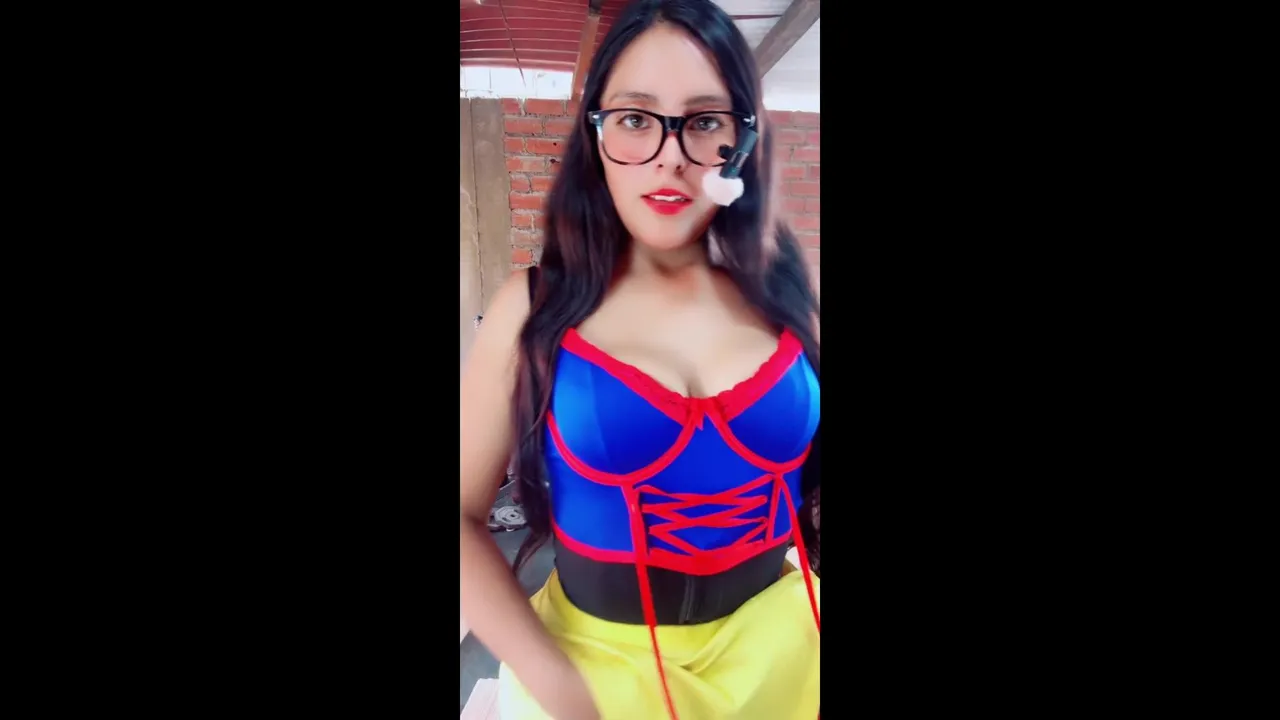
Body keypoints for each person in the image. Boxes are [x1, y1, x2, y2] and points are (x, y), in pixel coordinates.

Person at [459, 1, 820, 718]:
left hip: (787, 655)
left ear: (743, 139)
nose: (670, 156)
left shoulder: (788, 294)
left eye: (704, 122)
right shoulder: (532, 307)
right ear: (594, 134)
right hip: (596, 676)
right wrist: (560, 686)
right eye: (634, 118)